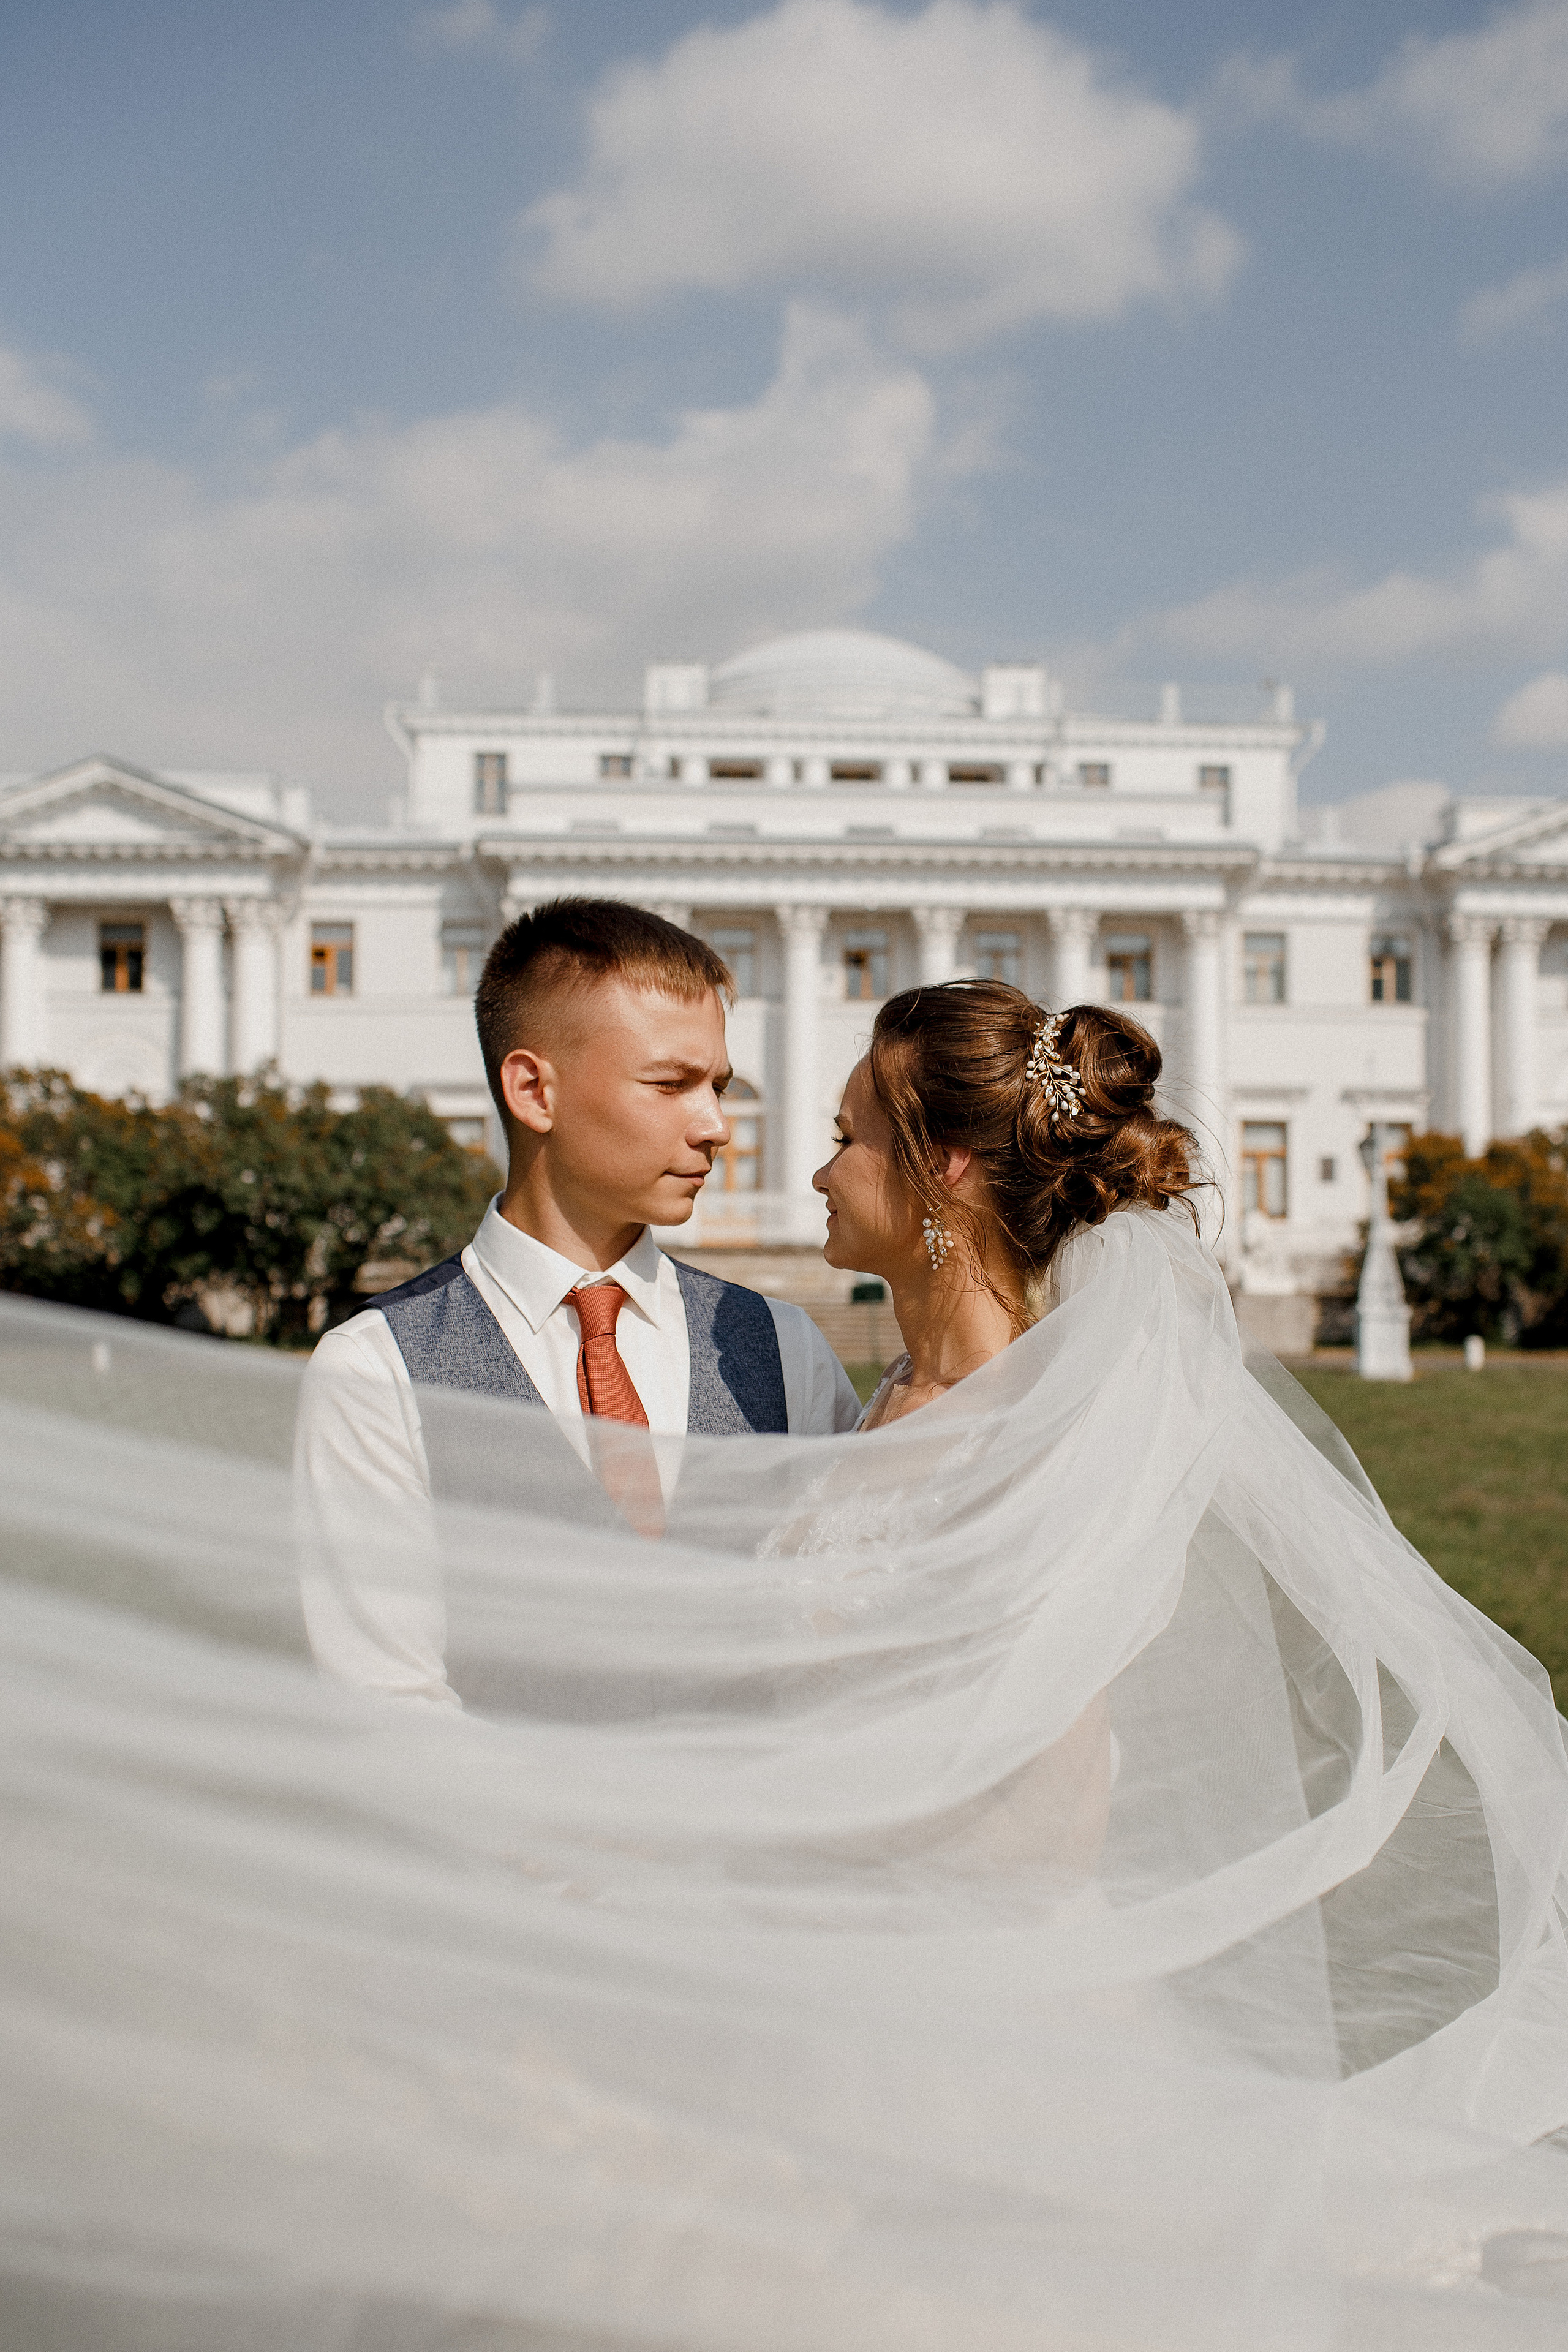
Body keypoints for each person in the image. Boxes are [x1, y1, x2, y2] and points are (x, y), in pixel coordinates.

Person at [296, 896, 859, 1706]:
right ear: (533, 1090)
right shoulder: (374, 1370)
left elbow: (841, 1645)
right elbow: (384, 1704)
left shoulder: (782, 1346)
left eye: (719, 1087)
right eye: (671, 1084)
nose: (715, 1127)